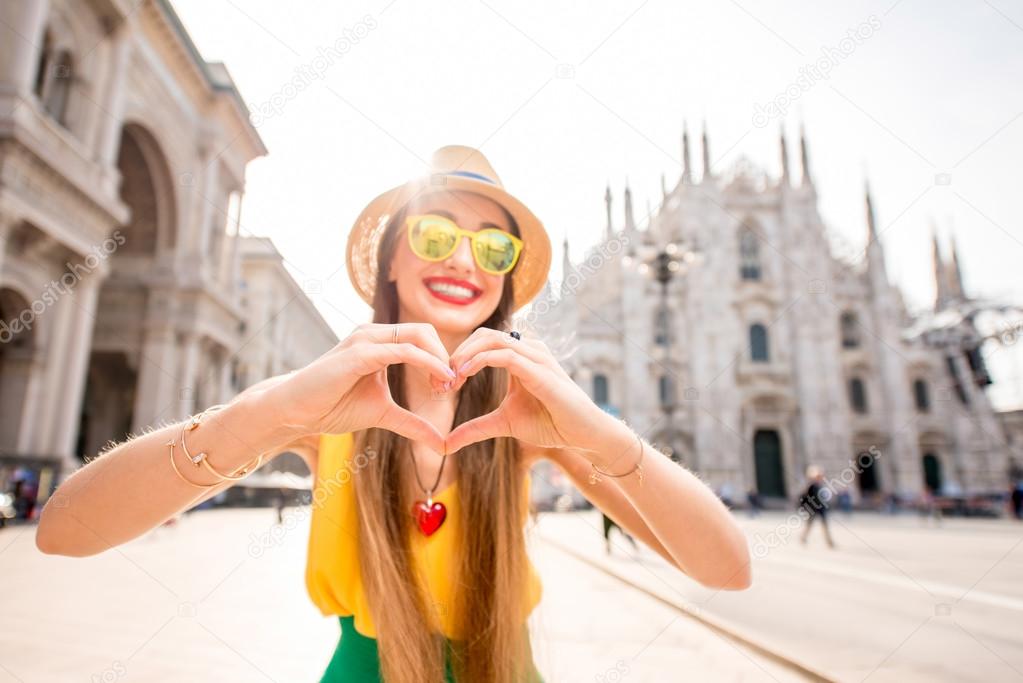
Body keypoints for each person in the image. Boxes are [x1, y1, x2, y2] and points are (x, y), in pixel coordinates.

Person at [35, 145, 751, 683]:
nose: (464, 258)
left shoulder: (527, 414)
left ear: (504, 277)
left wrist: (593, 430)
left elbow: (726, 567)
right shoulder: (330, 401)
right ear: (390, 262)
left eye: (493, 245)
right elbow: (68, 530)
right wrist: (271, 409)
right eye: (435, 234)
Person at [798, 465, 835, 548]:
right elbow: (805, 497)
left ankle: (829, 541)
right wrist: (805, 507)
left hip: (821, 508)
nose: (820, 477)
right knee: (809, 524)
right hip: (813, 508)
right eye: (819, 476)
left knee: (824, 524)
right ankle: (803, 537)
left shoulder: (820, 485)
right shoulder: (811, 486)